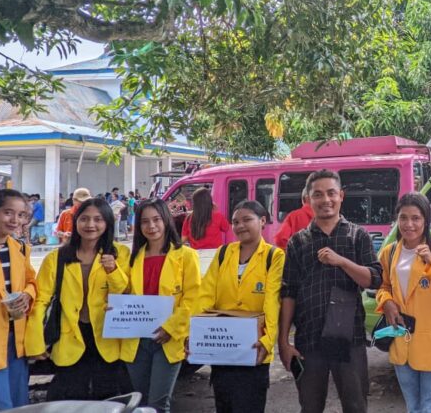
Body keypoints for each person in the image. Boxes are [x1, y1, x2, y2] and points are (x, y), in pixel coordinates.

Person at [278, 169, 383, 413]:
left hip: (350, 338)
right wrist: (284, 342)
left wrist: (342, 262)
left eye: (331, 193)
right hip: (309, 339)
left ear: (341, 196)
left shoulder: (357, 236)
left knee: (356, 405)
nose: (326, 200)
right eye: (318, 194)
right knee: (310, 406)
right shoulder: (298, 242)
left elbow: (374, 279)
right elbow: (289, 293)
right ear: (308, 200)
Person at [26, 197, 131, 400]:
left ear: (107, 222)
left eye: (98, 219)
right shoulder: (57, 258)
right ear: (76, 222)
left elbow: (126, 295)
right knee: (70, 396)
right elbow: (41, 301)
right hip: (69, 338)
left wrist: (113, 271)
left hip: (109, 338)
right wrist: (36, 343)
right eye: (84, 219)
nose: (90, 225)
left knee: (108, 397)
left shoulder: (121, 254)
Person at [376, 193, 431, 413]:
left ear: (426, 220)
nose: (409, 224)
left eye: (416, 218)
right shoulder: (389, 253)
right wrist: (386, 301)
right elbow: (383, 286)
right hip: (401, 342)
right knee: (413, 407)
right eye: (403, 217)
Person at [196, 200, 285, 413]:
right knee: (224, 404)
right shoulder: (224, 253)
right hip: (222, 347)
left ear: (262, 221)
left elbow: (272, 302)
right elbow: (206, 295)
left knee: (250, 405)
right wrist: (196, 332)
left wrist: (267, 339)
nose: (240, 226)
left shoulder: (274, 256)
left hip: (254, 349)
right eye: (235, 222)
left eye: (247, 220)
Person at [121, 199, 200, 413]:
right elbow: (125, 294)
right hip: (136, 340)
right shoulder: (132, 258)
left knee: (158, 404)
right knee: (140, 402)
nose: (151, 226)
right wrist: (116, 310)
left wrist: (172, 328)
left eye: (156, 220)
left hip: (168, 338)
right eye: (145, 221)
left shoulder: (185, 255)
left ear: (166, 220)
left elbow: (193, 297)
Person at [0, 190, 37, 410]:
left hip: (15, 338)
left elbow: (32, 281)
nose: (15, 220)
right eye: (8, 213)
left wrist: (27, 295)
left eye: (21, 215)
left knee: (19, 403)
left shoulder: (20, 249)